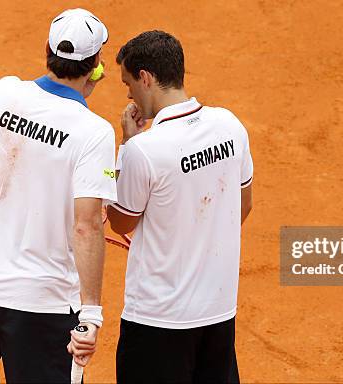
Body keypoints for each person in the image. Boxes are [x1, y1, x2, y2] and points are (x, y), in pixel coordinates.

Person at [0, 8, 116, 382]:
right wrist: (92, 314)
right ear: (95, 65)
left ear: (48, 51)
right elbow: (87, 225)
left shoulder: (3, 93)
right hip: (42, 306)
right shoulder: (94, 133)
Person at [108, 30, 253, 383]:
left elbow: (120, 220)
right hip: (217, 313)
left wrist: (125, 146)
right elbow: (243, 207)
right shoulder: (230, 126)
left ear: (146, 78)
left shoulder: (143, 149)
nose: (128, 93)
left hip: (157, 321)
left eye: (128, 83)